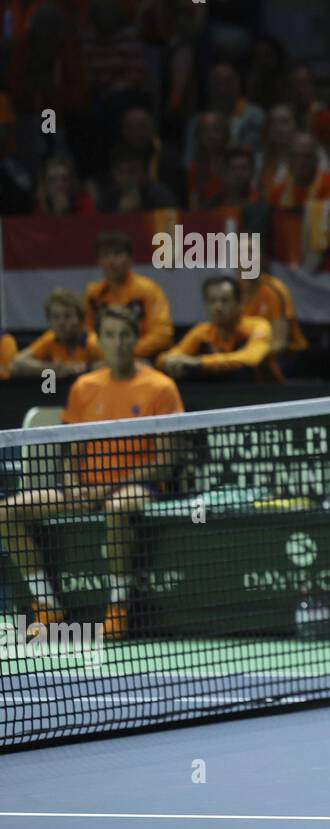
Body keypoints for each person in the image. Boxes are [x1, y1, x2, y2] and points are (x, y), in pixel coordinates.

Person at [0, 305, 183, 633]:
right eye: (110, 335)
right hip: (83, 488)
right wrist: (72, 484)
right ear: (100, 340)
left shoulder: (162, 387)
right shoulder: (84, 387)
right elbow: (73, 453)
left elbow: (166, 463)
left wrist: (106, 489)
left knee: (115, 507)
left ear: (136, 339)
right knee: (6, 512)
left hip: (138, 487)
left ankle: (118, 606)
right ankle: (47, 605)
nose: (118, 343)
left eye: (125, 335)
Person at [157, 276, 279, 383]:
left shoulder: (258, 326)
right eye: (212, 301)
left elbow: (251, 359)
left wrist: (200, 363)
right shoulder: (202, 332)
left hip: (262, 394)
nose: (218, 307)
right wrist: (171, 363)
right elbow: (168, 357)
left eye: (224, 301)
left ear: (240, 303)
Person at [84, 231, 174, 359]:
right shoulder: (93, 293)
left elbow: (162, 335)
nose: (111, 261)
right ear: (99, 261)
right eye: (105, 255)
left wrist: (124, 353)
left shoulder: (148, 290)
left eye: (117, 254)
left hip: (144, 360)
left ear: (130, 259)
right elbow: (87, 333)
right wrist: (105, 352)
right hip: (105, 361)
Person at [8, 288, 103, 379]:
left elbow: (112, 364)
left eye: (68, 316)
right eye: (55, 317)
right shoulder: (51, 339)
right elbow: (16, 363)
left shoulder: (92, 341)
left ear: (81, 319)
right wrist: (52, 369)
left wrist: (85, 368)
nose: (61, 323)